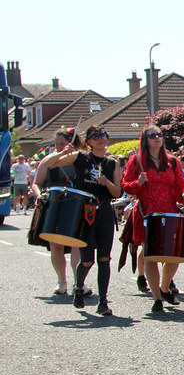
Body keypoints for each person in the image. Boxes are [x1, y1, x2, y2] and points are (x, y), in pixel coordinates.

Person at [45, 125, 123, 316]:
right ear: (89, 141)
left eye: (103, 135)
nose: (100, 139)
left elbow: (117, 192)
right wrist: (62, 153)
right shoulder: (80, 157)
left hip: (104, 210)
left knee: (104, 258)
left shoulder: (113, 163)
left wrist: (106, 182)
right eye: (95, 136)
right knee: (87, 260)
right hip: (85, 211)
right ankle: (78, 287)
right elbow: (49, 164)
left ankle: (103, 302)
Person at [121, 126, 184, 313]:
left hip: (169, 212)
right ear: (145, 140)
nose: (157, 138)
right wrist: (138, 183)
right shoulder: (136, 162)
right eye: (152, 136)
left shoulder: (172, 162)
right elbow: (127, 186)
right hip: (146, 213)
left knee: (174, 254)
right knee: (149, 255)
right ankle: (157, 298)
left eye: (159, 135)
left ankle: (164, 287)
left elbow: (180, 186)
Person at [32, 127, 84, 295]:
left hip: (75, 205)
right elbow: (36, 182)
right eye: (57, 144)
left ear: (71, 143)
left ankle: (78, 282)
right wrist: (39, 196)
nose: (59, 147)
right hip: (53, 204)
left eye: (63, 144)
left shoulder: (79, 159)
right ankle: (61, 280)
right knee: (55, 245)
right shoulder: (48, 160)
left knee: (76, 244)